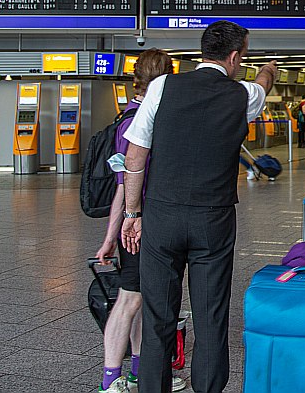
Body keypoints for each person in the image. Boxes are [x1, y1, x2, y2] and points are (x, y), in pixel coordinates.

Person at [120, 21, 277, 393]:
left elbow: (136, 152)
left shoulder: (162, 86)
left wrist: (132, 213)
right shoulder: (243, 95)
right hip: (214, 219)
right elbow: (263, 85)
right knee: (210, 317)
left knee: (158, 316)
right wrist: (269, 69)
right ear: (236, 57)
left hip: (162, 215)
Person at [94, 50, 180, 393]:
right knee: (129, 298)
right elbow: (123, 188)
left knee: (143, 298)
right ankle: (110, 379)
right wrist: (112, 235)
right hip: (140, 224)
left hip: (149, 221)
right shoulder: (136, 122)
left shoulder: (146, 115)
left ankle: (139, 374)